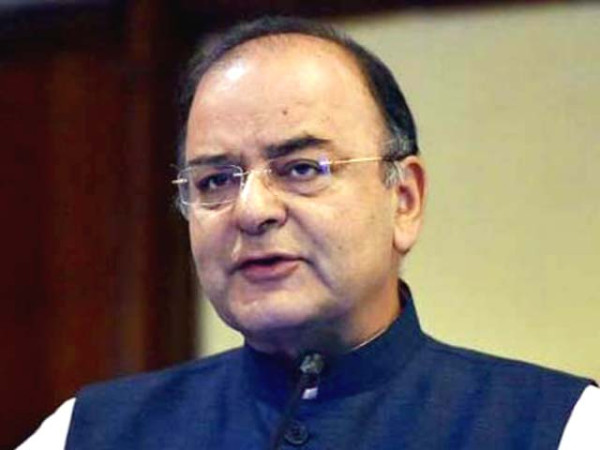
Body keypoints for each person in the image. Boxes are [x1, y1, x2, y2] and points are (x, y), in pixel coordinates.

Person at [19, 16, 599, 450]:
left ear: (404, 200)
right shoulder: (86, 433)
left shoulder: (561, 426)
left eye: (301, 169)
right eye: (216, 180)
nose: (252, 210)